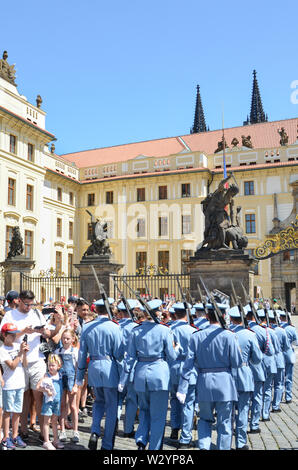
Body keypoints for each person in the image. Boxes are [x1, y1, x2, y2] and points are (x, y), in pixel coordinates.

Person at [0, 289, 64, 441]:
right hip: (18, 362)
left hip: (36, 360)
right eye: (27, 304)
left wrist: (58, 323)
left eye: (31, 304)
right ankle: (21, 431)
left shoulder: (36, 314)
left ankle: (44, 433)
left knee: (39, 396)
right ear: (19, 301)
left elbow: (50, 335)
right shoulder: (10, 315)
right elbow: (3, 336)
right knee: (22, 398)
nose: (29, 307)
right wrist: (23, 331)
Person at [177, 304, 243, 450]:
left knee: (205, 419)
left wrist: (182, 387)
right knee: (225, 422)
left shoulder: (196, 336)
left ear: (207, 317)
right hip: (224, 383)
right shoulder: (229, 335)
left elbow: (188, 364)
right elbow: (237, 362)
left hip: (204, 382)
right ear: (224, 316)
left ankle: (204, 447)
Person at [119, 299, 179, 450]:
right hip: (159, 374)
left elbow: (130, 357)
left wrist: (123, 379)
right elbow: (172, 356)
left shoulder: (136, 330)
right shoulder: (164, 330)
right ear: (157, 311)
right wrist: (178, 348)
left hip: (140, 373)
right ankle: (154, 447)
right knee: (158, 415)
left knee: (144, 410)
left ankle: (141, 440)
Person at [76, 297, 123, 450]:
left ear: (95, 310)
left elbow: (82, 353)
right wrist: (123, 376)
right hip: (110, 368)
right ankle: (107, 444)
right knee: (111, 407)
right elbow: (119, 354)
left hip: (95, 367)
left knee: (98, 402)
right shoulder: (115, 327)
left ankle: (95, 431)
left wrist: (80, 375)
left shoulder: (88, 327)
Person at [228, 306, 262, 450]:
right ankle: (241, 443)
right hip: (243, 373)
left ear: (230, 318)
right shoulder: (250, 334)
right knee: (243, 409)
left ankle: (226, 441)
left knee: (227, 412)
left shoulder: (226, 333)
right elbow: (257, 358)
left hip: (228, 375)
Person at [169, 302, 198, 449]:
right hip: (189, 369)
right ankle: (185, 437)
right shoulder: (192, 331)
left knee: (174, 399)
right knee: (188, 404)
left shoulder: (170, 329)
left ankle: (174, 428)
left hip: (174, 368)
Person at [244, 306, 275, 433]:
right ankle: (254, 424)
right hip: (257, 368)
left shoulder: (241, 330)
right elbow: (271, 351)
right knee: (257, 396)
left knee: (242, 399)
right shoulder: (263, 331)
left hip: (242, 369)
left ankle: (241, 422)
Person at [0, 322, 29, 449]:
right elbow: (11, 366)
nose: (13, 337)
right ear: (4, 335)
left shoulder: (17, 346)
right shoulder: (2, 350)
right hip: (9, 385)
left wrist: (24, 353)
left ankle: (15, 435)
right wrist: (20, 353)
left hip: (19, 383)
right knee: (7, 412)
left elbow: (24, 364)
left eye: (14, 334)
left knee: (17, 411)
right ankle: (6, 437)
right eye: (10, 334)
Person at [56, 328, 80, 443]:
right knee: (62, 405)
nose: (65, 340)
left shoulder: (75, 351)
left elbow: (78, 370)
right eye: (63, 338)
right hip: (61, 380)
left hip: (71, 380)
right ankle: (63, 430)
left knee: (73, 406)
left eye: (68, 338)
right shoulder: (57, 351)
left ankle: (76, 431)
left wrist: (76, 384)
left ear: (72, 339)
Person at [37, 353, 64, 450]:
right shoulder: (46, 375)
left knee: (54, 421)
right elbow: (38, 387)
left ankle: (55, 439)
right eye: (49, 365)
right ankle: (46, 441)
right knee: (46, 421)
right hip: (48, 402)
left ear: (58, 366)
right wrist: (46, 390)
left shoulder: (60, 375)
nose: (51, 367)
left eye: (53, 365)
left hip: (57, 401)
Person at [268, 310, 291, 412]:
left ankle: (266, 407)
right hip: (279, 359)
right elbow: (287, 347)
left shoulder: (266, 330)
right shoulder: (281, 331)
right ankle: (276, 406)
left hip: (268, 360)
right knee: (279, 384)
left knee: (268, 386)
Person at [278, 311, 298, 403]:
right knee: (289, 376)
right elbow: (296, 343)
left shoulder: (277, 328)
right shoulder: (291, 329)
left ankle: (279, 396)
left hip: (279, 354)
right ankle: (288, 396)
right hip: (289, 353)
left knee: (280, 377)